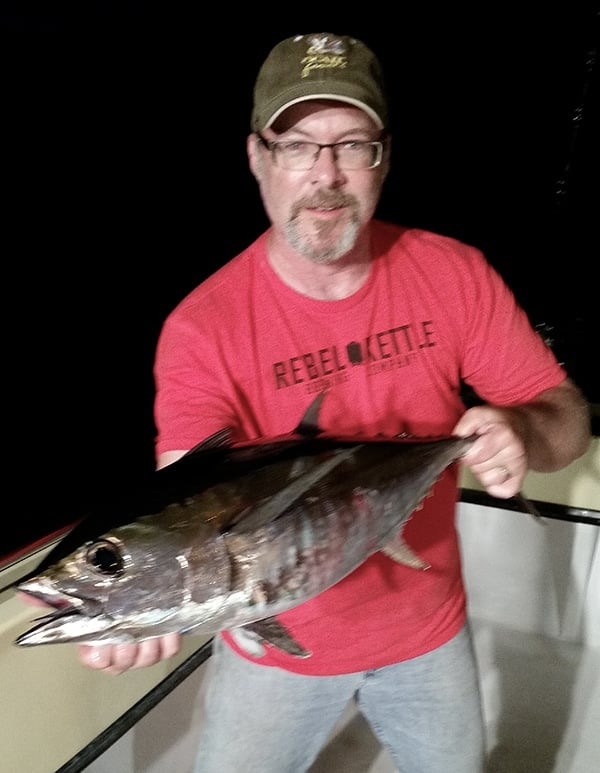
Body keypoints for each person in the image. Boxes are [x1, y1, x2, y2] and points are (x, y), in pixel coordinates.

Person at [78, 32, 591, 772]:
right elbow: (185, 492)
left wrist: (521, 428)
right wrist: (133, 604)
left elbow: (565, 416)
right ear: (257, 155)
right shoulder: (203, 326)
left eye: (352, 144)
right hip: (270, 648)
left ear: (382, 157)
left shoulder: (455, 275)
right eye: (297, 144)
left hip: (428, 633)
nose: (326, 174)